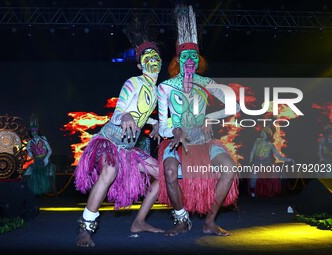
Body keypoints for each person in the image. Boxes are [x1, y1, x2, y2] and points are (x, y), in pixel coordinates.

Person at [157, 5, 240, 237]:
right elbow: (162, 122)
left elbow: (234, 104)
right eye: (185, 56)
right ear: (178, 60)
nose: (190, 60)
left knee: (229, 169)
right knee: (170, 172)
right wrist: (175, 129)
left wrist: (211, 116)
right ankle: (182, 220)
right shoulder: (164, 88)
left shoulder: (206, 82)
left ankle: (210, 222)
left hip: (205, 140)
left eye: (194, 55)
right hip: (178, 141)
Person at [75, 37, 163, 247]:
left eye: (156, 56)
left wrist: (155, 122)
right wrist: (124, 116)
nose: (153, 60)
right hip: (110, 141)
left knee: (162, 175)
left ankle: (139, 222)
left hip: (129, 149)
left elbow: (140, 113)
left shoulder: (156, 91)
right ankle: (85, 229)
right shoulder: (133, 82)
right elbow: (118, 115)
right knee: (110, 172)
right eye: (147, 57)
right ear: (140, 65)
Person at [249, 126, 293, 198]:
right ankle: (252, 193)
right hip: (257, 164)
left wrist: (289, 159)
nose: (263, 134)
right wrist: (250, 162)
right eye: (262, 132)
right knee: (253, 180)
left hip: (267, 164)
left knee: (277, 175)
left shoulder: (271, 145)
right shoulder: (257, 141)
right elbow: (252, 152)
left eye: (265, 133)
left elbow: (279, 157)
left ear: (268, 135)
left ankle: (277, 191)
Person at [22, 114, 57, 197]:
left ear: (37, 130)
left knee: (51, 180)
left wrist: (47, 159)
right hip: (36, 161)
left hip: (45, 161)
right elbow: (30, 154)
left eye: (35, 130)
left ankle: (57, 198)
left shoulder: (43, 138)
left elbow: (50, 150)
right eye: (32, 131)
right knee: (25, 177)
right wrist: (28, 151)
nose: (33, 132)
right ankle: (23, 194)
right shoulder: (30, 142)